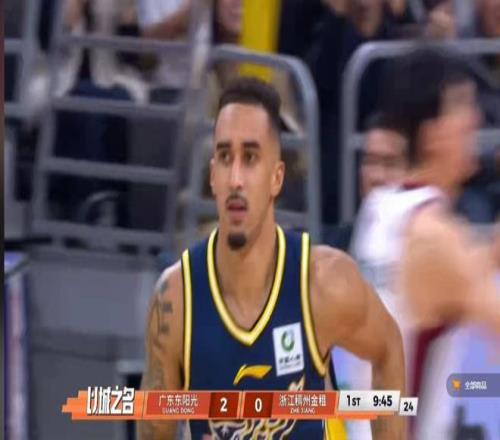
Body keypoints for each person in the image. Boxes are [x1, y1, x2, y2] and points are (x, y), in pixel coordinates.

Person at [137, 77, 405, 439]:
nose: (236, 179)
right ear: (212, 176)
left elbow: (388, 349)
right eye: (225, 157)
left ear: (276, 177)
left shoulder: (323, 282)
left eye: (250, 158)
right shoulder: (175, 300)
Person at [350, 47, 500, 439]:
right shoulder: (435, 238)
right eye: (462, 106)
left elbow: (442, 285)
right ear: (432, 135)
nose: (475, 119)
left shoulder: (381, 207)